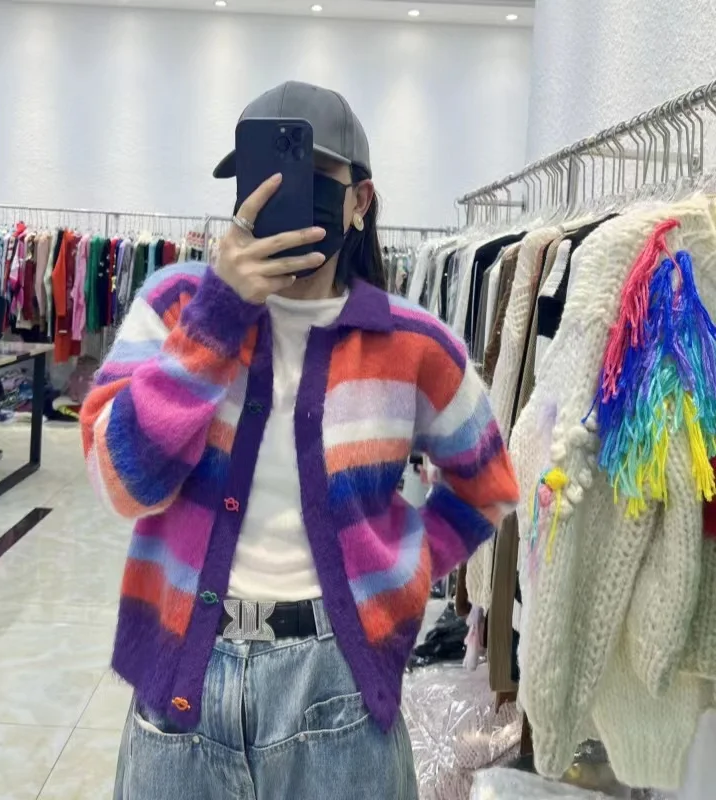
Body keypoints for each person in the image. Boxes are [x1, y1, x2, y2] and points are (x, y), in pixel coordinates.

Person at [81, 80, 519, 800]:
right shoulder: (176, 306)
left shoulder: (409, 343)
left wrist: (402, 570)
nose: (284, 193)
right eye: (264, 174)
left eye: (314, 175)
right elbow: (119, 482)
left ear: (360, 200)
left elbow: (488, 483)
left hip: (338, 683)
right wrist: (215, 321)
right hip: (181, 677)